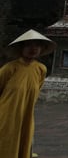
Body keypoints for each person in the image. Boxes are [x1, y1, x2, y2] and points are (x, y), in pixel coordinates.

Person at [0, 29, 56, 158]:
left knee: (24, 142)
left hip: (26, 114)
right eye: (28, 45)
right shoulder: (10, 68)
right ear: (21, 48)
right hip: (6, 115)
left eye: (37, 45)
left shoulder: (40, 69)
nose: (33, 48)